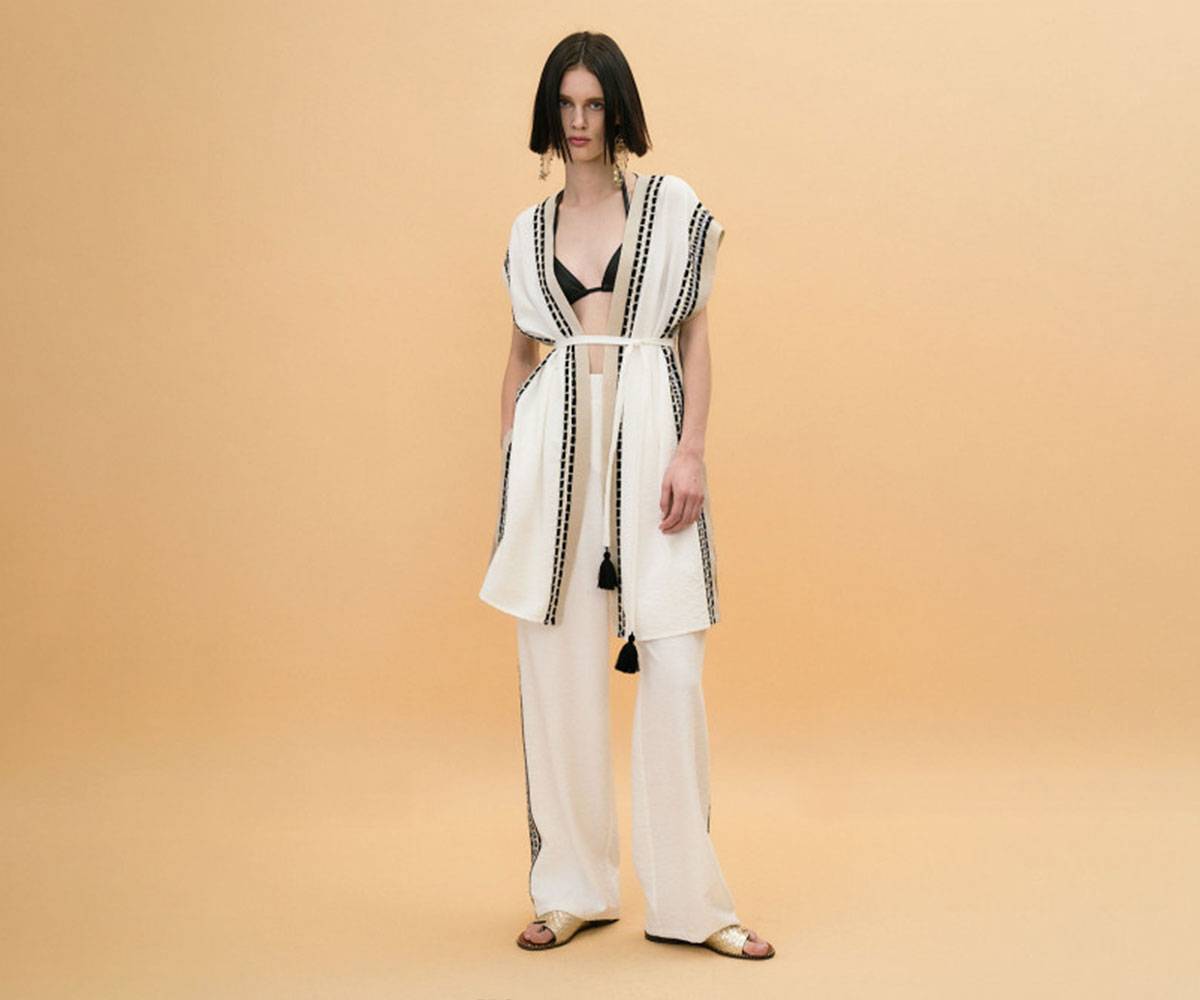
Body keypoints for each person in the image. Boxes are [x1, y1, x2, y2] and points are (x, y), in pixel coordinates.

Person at [479, 31, 775, 961]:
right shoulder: (527, 232)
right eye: (565, 105)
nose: (579, 123)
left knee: (673, 668)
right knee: (557, 675)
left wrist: (693, 450)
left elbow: (692, 338)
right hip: (555, 466)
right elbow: (521, 353)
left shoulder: (672, 208)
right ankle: (572, 887)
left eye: (594, 105)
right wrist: (513, 456)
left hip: (652, 450)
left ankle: (693, 904)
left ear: (618, 110)